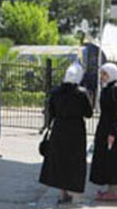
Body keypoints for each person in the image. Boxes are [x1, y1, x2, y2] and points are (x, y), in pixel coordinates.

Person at [40, 63, 92, 204]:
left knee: (60, 161)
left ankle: (62, 194)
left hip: (59, 129)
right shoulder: (81, 93)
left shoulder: (56, 92)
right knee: (74, 161)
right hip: (76, 131)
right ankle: (73, 192)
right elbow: (89, 113)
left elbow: (51, 112)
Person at [90, 63, 117, 202]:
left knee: (113, 160)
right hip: (105, 128)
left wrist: (113, 133)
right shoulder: (108, 88)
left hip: (112, 130)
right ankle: (108, 189)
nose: (102, 76)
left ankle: (113, 192)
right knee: (105, 159)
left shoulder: (116, 89)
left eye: (105, 74)